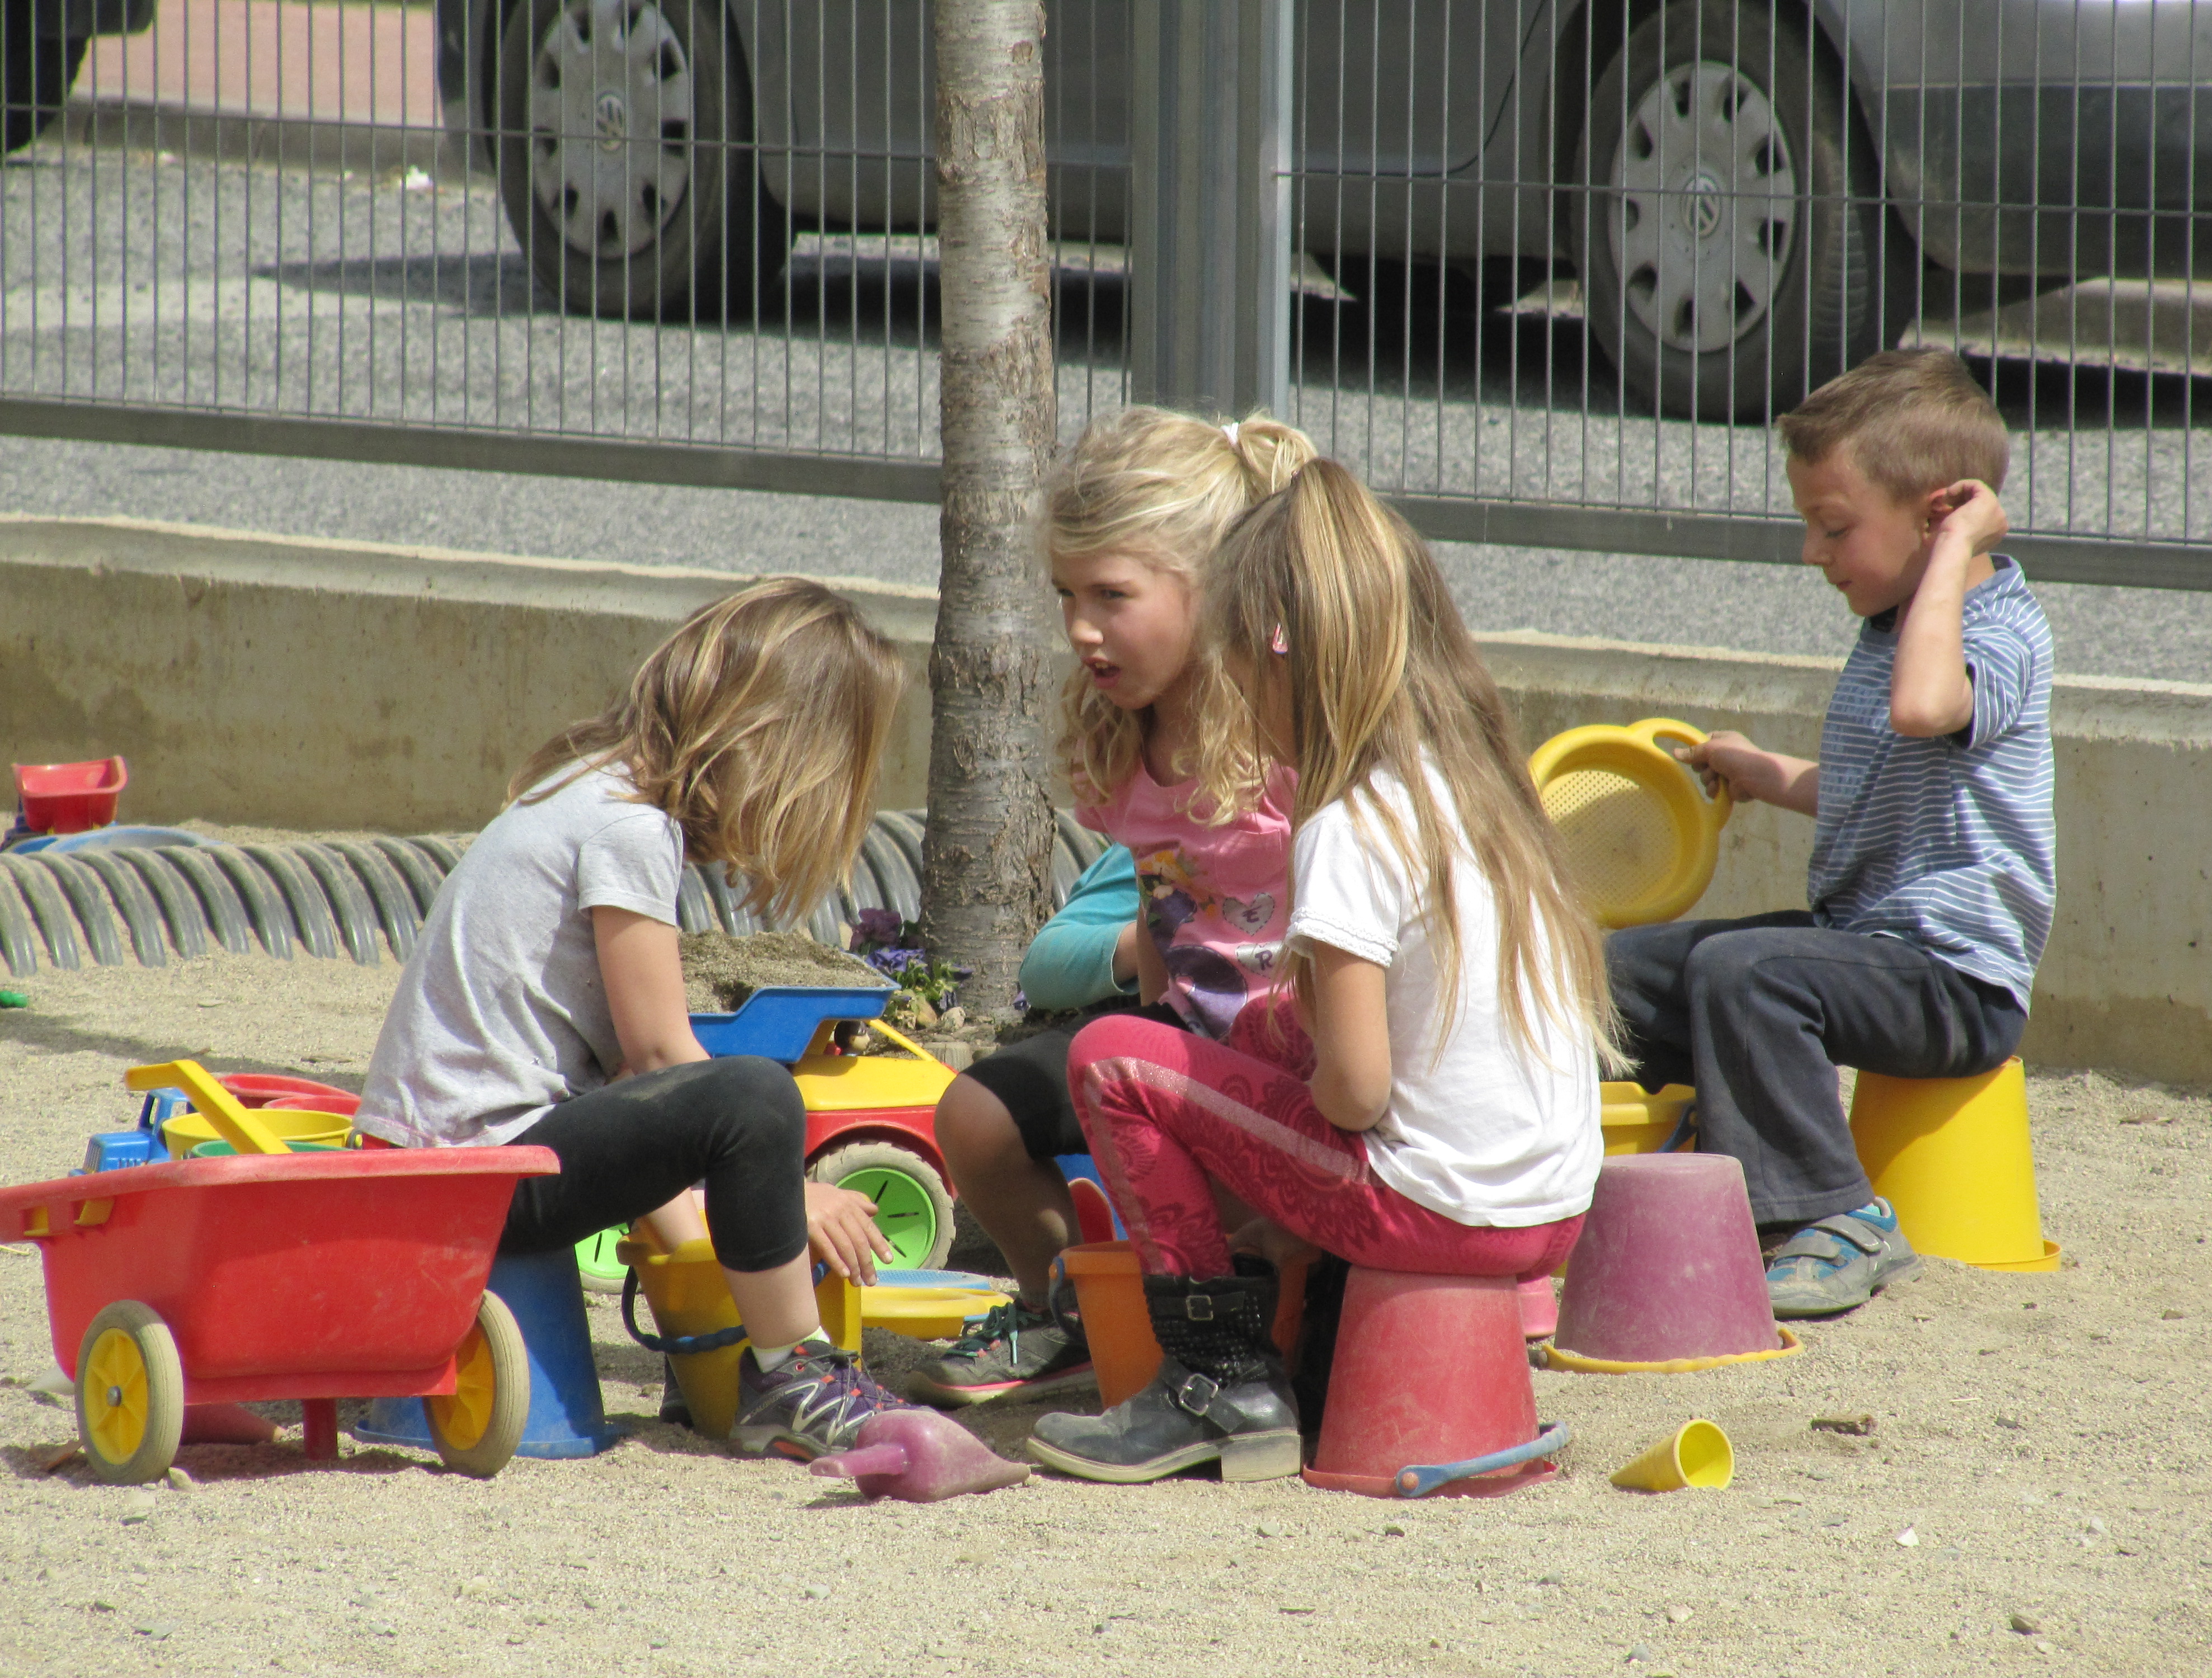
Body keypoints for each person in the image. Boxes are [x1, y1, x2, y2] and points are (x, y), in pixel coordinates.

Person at [1029, 459, 1615, 1484]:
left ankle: (1216, 1379)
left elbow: (1356, 1093)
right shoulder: (1479, 791)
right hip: (1554, 1210)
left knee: (1114, 1056)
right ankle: (1300, 1332)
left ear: (1281, 655)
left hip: (1434, 1213)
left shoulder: (1347, 825)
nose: (1231, 694)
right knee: (1259, 1034)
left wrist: (1275, 1180)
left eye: (1235, 667)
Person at [355, 579, 918, 1459]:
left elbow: (634, 1089)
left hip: (444, 1162)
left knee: (712, 1102)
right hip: (474, 1176)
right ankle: (795, 1374)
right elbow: (660, 1058)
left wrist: (704, 1272)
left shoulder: (587, 788)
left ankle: (742, 1358)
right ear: (780, 748)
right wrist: (787, 1194)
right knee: (754, 1098)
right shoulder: (631, 828)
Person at [1606, 348, 2054, 1318]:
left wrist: (1957, 552)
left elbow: (1923, 711)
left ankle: (1837, 1218)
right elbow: (1878, 785)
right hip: (1864, 949)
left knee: (1749, 974)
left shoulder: (2002, 633)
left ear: (1939, 516)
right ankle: (1694, 1159)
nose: (1813, 552)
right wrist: (1764, 773)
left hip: (1956, 982)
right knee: (1618, 970)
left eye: (1835, 526)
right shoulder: (1894, 633)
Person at [911, 407, 1319, 1407]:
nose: (1081, 628)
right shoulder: (1126, 729)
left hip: (1306, 1055)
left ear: (1212, 587)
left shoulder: (1289, 734)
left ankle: (1211, 1341)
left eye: (1112, 596)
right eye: (1067, 595)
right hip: (1183, 1038)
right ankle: (1068, 1311)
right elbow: (1158, 903)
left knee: (1249, 1231)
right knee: (974, 1115)